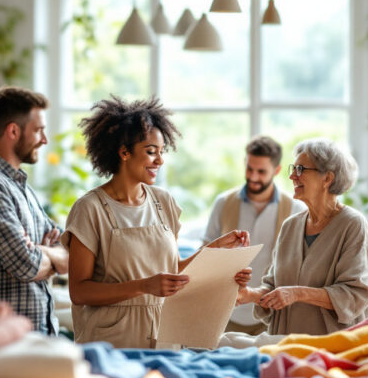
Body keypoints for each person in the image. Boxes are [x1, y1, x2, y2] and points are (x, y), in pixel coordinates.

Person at [61, 96, 251, 348]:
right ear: (124, 152)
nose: (160, 160)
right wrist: (143, 286)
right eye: (151, 152)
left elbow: (171, 272)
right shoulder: (89, 209)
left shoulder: (164, 203)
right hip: (111, 342)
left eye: (162, 152)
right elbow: (80, 291)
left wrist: (215, 251)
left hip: (165, 334)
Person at [0, 87, 68, 335]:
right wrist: (48, 257)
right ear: (13, 131)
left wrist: (41, 250)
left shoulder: (20, 186)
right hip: (6, 336)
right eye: (38, 130)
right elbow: (25, 265)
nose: (44, 139)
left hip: (39, 332)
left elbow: (69, 248)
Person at [236, 139, 368, 335]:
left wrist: (297, 293)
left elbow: (355, 295)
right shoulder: (290, 226)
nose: (292, 175)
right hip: (285, 344)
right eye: (294, 168)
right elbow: (273, 287)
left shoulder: (353, 225)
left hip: (331, 348)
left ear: (327, 179)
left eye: (301, 169)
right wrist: (248, 294)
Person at [203, 136, 306, 333]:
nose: (253, 177)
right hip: (226, 312)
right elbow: (206, 254)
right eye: (249, 169)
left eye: (261, 171)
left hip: (274, 315)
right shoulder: (223, 203)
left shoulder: (296, 208)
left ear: (276, 170)